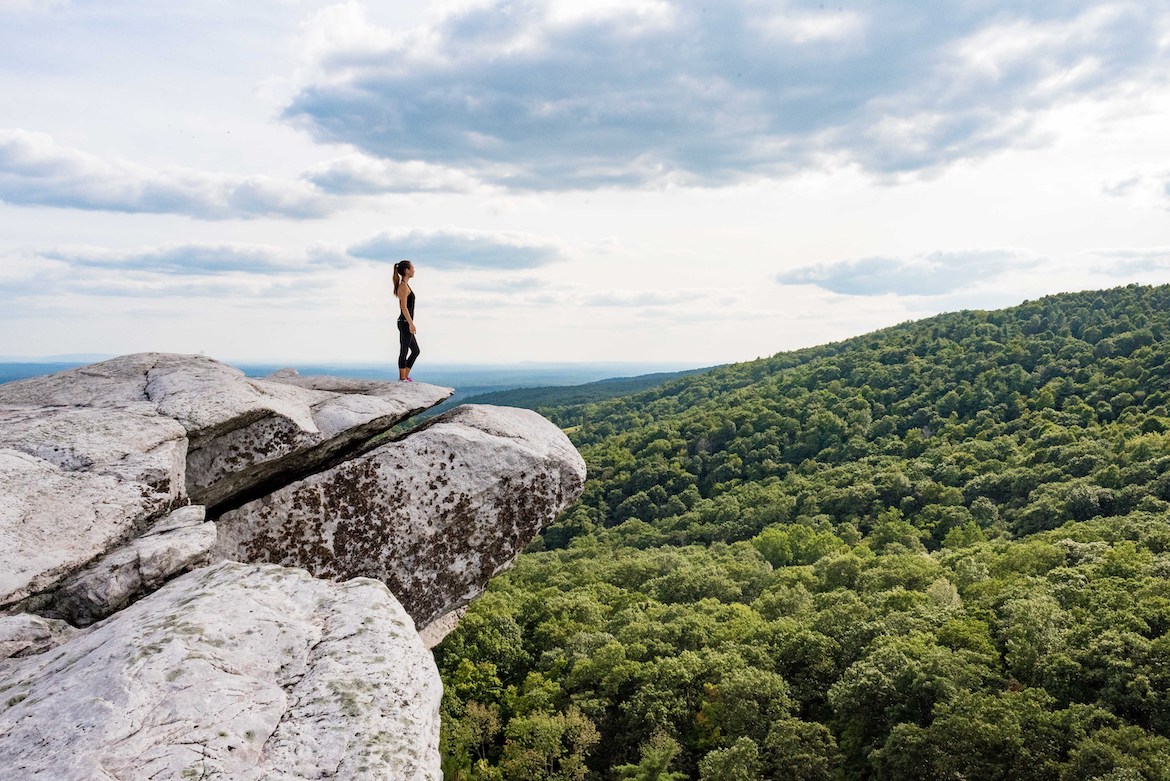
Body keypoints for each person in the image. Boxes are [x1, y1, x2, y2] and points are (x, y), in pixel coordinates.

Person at [393, 259, 420, 381]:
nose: (414, 270)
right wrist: (411, 324)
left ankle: (404, 377)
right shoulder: (403, 287)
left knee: (415, 351)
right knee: (404, 350)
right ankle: (402, 379)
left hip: (404, 322)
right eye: (412, 268)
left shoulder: (405, 285)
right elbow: (403, 307)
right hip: (404, 323)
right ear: (406, 270)